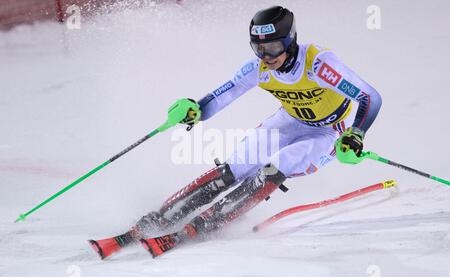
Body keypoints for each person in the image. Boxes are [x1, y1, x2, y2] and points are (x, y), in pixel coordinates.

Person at [89, 6, 382, 259]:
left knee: (279, 165)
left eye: (273, 48)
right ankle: (160, 218)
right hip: (289, 122)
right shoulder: (259, 69)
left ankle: (204, 224)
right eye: (259, 48)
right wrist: (195, 109)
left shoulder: (318, 64)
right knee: (237, 166)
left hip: (327, 133)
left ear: (291, 41)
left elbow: (370, 97)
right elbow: (221, 96)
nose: (266, 56)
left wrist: (356, 134)